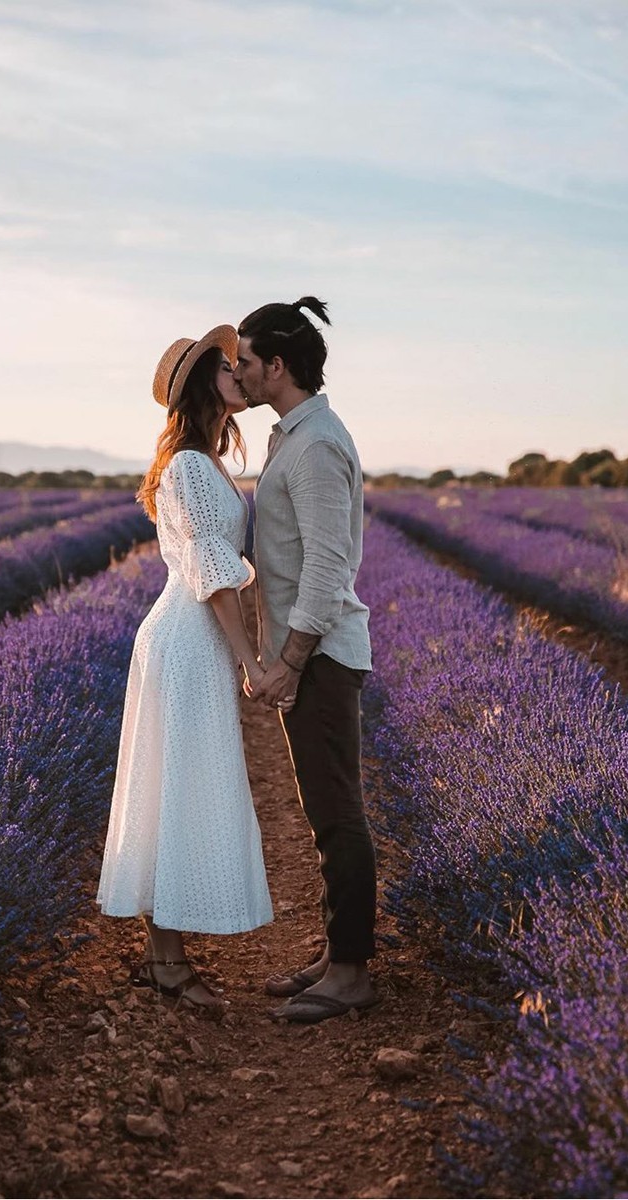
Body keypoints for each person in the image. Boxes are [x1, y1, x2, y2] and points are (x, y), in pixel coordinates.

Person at [96, 325, 273, 1011]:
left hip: (188, 636)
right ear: (203, 384)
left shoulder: (205, 460)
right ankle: (166, 961)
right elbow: (212, 577)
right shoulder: (193, 467)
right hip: (189, 636)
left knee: (177, 782)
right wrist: (250, 660)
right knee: (179, 784)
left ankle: (164, 953)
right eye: (227, 367)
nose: (238, 373)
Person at [233, 296, 377, 1024]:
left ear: (278, 366)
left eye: (248, 362)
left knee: (338, 813)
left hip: (322, 653)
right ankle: (335, 950)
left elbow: (327, 565)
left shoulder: (316, 443)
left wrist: (289, 657)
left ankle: (352, 971)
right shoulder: (296, 435)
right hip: (311, 651)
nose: (240, 373)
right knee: (322, 809)